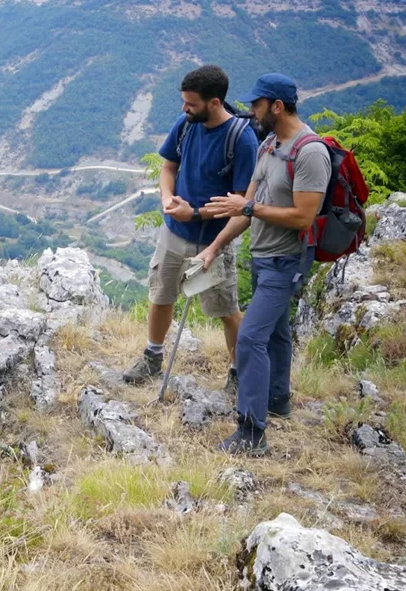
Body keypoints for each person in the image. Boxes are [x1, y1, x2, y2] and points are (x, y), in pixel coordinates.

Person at [199, 73, 331, 455]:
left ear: (277, 105)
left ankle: (251, 432)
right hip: (262, 258)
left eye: (257, 104)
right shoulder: (269, 145)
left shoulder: (310, 152)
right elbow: (247, 211)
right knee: (275, 332)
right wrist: (215, 247)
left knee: (251, 338)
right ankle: (278, 400)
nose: (251, 111)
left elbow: (304, 217)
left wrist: (249, 207)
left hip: (286, 261)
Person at [122, 65, 258, 394]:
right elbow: (169, 166)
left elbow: (241, 205)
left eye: (191, 103)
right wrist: (168, 199)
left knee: (225, 309)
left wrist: (193, 213)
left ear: (214, 102)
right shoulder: (186, 125)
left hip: (215, 241)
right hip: (174, 232)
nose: (184, 108)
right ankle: (152, 357)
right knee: (160, 295)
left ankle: (239, 373)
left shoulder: (242, 140)